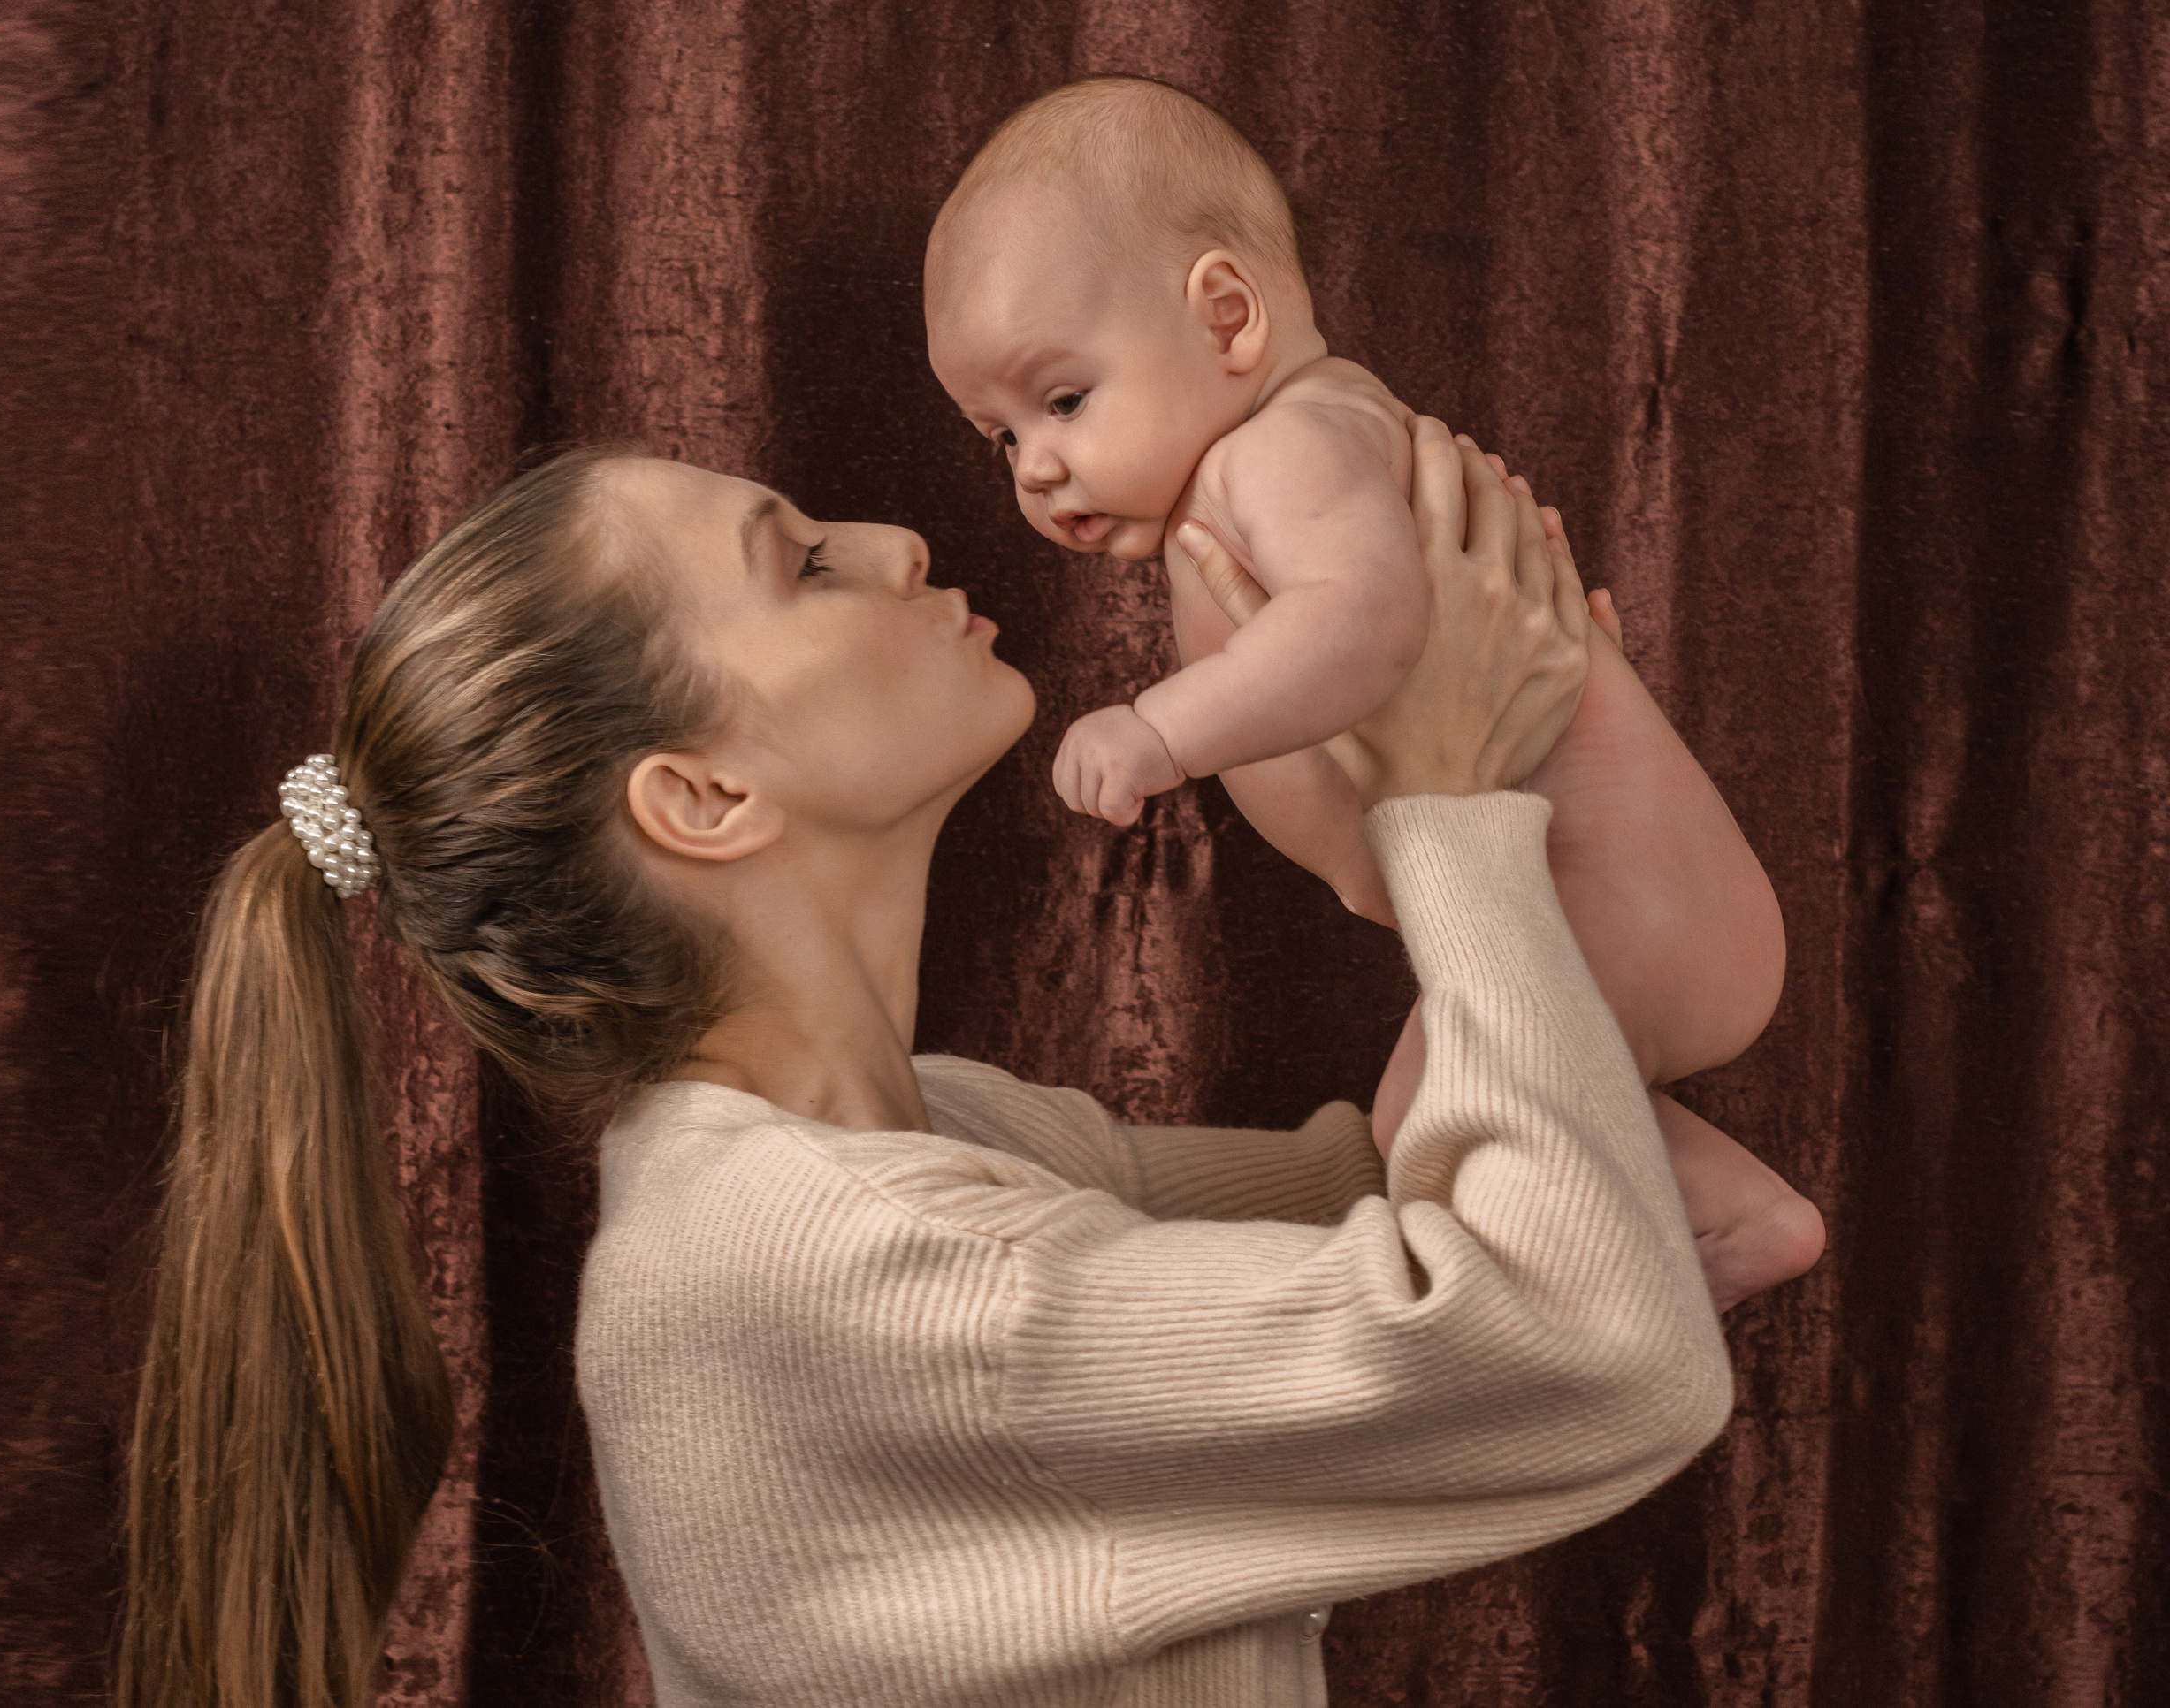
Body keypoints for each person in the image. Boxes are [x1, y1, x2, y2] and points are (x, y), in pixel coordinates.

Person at [119, 420, 1733, 1708]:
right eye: (804, 564)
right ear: (699, 801)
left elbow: (1377, 1205)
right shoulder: (858, 1271)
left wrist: (1488, 763)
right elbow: (1591, 1338)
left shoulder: (914, 1147)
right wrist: (1448, 813)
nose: (896, 541)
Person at [924, 75, 1823, 1311]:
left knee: (1422, 1134)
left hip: (1622, 904)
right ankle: (1731, 1224)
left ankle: (1683, 1279)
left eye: (1063, 399)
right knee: (1452, 1130)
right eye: (1001, 436)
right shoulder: (1274, 449)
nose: (1037, 468)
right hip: (1620, 903)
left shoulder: (1287, 444)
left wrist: (1160, 729)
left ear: (1227, 315)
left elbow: (1366, 626)